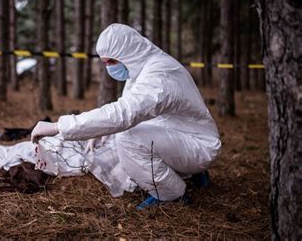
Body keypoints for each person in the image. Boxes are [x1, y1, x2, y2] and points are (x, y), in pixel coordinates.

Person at [30, 23, 221, 209]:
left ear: (129, 52)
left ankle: (171, 195)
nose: (109, 68)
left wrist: (58, 126)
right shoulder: (141, 69)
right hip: (183, 136)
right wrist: (99, 131)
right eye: (105, 63)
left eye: (112, 61)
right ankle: (193, 174)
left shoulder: (159, 74)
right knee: (122, 137)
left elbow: (124, 113)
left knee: (128, 139)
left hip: (198, 145)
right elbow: (127, 110)